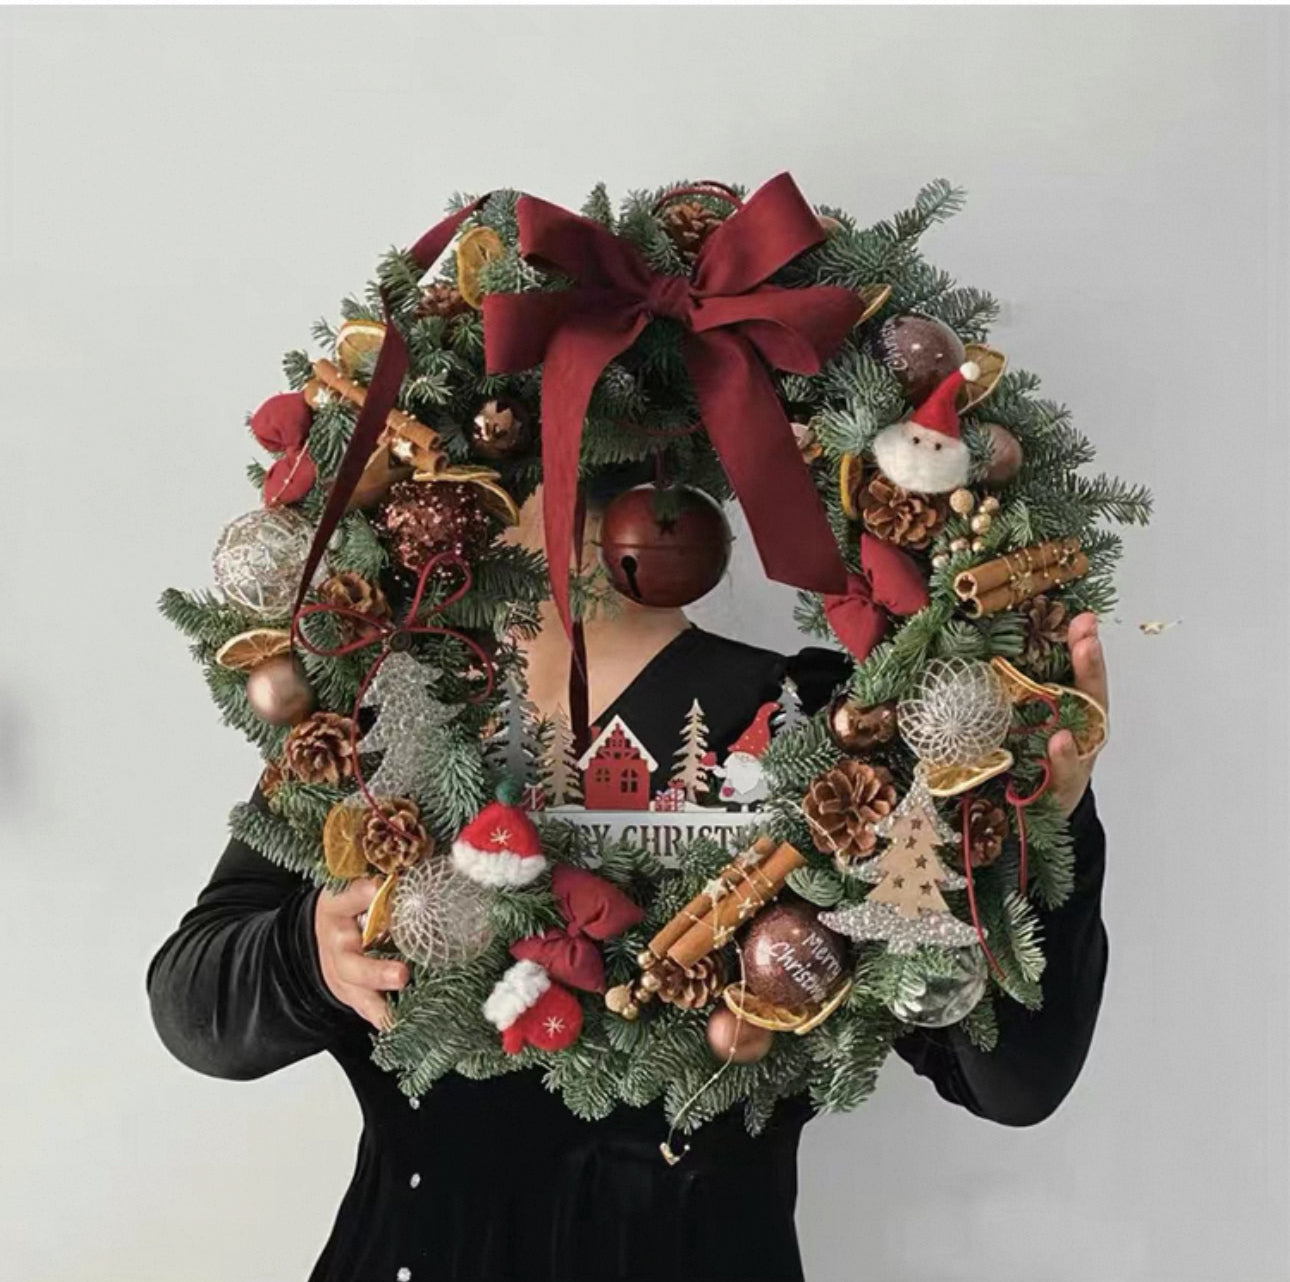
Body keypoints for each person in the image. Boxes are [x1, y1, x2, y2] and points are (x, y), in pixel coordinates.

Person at [147, 482, 1111, 1282]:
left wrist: (1041, 825)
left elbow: (1013, 1076)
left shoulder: (828, 733)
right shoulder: (383, 726)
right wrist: (307, 953)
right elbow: (194, 1008)